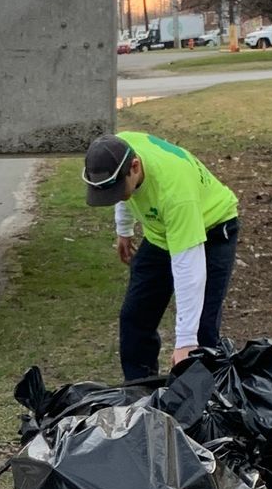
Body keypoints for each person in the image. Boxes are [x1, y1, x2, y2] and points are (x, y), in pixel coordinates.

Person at [82, 128, 242, 380]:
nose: (113, 198)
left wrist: (186, 342)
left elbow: (189, 272)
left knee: (202, 332)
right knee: (135, 316)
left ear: (135, 167)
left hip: (212, 228)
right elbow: (122, 193)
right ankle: (138, 391)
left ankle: (204, 405)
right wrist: (124, 230)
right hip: (161, 232)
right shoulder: (118, 149)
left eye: (114, 191)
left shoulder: (175, 194)